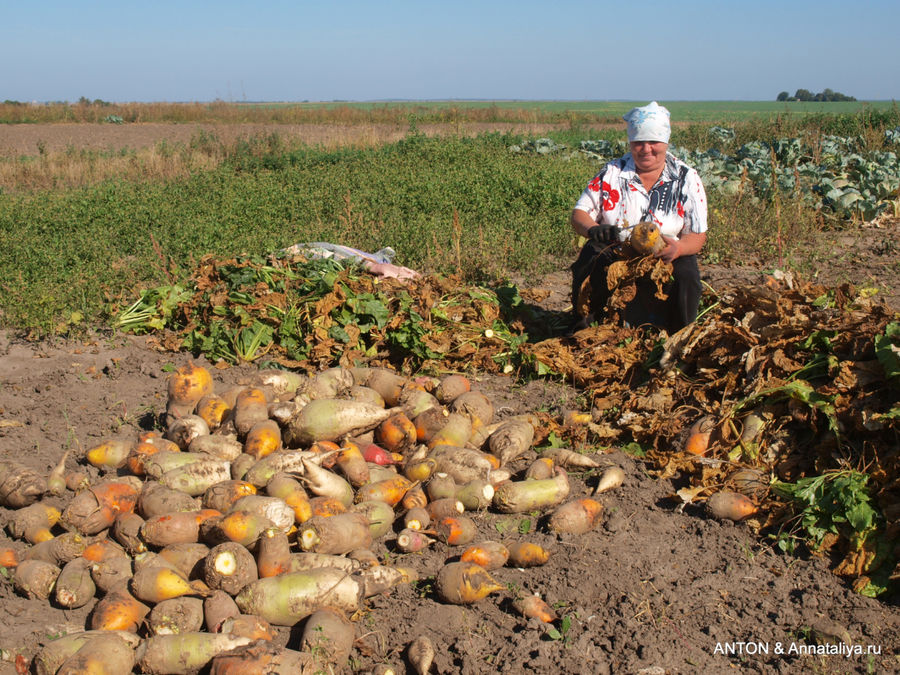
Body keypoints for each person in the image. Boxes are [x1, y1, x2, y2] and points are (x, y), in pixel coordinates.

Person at [569, 101, 708, 333]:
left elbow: (697, 235)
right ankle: (583, 328)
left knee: (687, 274)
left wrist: (679, 249)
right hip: (617, 248)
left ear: (665, 142)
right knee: (591, 256)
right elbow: (579, 214)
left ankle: (681, 335)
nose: (646, 149)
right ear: (630, 143)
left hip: (663, 251)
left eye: (653, 142)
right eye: (638, 143)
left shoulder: (686, 177)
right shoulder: (612, 172)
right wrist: (593, 229)